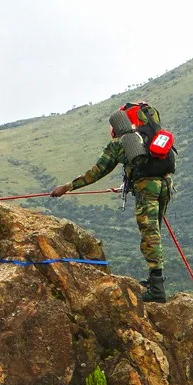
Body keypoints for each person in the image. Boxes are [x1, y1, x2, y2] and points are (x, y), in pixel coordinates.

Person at [50, 102, 174, 303]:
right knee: (155, 233)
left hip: (146, 190)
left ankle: (157, 289)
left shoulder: (121, 143)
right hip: (165, 186)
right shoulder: (151, 138)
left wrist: (68, 186)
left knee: (150, 237)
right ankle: (154, 281)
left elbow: (97, 172)